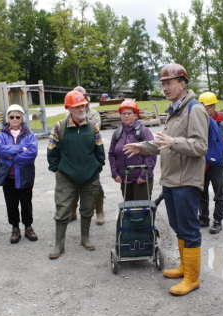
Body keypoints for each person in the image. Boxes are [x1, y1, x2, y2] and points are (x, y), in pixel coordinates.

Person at [123, 63, 208, 296]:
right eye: (163, 84)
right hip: (171, 180)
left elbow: (200, 146)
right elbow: (163, 142)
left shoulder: (194, 109)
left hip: (186, 182)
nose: (165, 88)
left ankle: (192, 278)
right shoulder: (175, 109)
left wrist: (174, 143)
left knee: (189, 229)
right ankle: (184, 267)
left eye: (169, 83)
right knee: (177, 226)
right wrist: (142, 147)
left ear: (183, 83)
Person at [47, 90, 105, 259]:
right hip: (66, 177)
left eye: (83, 106)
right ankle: (59, 244)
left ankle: (85, 238)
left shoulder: (93, 127)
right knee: (63, 210)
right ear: (69, 109)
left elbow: (99, 150)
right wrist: (57, 169)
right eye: (77, 107)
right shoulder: (59, 126)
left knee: (88, 208)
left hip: (90, 177)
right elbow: (52, 151)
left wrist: (97, 167)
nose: (81, 109)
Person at [0, 104, 38, 244]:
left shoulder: (29, 134)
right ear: (7, 118)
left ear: (22, 118)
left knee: (26, 203)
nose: (14, 119)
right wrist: (20, 148)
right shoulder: (2, 134)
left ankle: (28, 227)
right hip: (9, 177)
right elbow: (0, 150)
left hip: (25, 176)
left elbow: (32, 153)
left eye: (17, 116)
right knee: (11, 204)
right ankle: (15, 228)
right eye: (11, 116)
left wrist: (13, 157)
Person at [198, 92, 223, 234]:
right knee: (202, 193)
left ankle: (218, 221)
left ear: (213, 106)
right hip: (201, 165)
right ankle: (203, 218)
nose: (206, 110)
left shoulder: (221, 124)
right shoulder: (198, 123)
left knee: (218, 193)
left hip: (216, 165)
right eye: (203, 108)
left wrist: (220, 158)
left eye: (208, 107)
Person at [69, 86, 105, 225]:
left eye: (82, 96)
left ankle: (99, 211)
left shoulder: (93, 114)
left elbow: (92, 133)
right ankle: (72, 211)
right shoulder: (69, 115)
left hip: (91, 156)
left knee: (96, 187)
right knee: (72, 187)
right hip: (74, 157)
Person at [108, 100, 156, 200]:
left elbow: (151, 153)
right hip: (124, 179)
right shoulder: (117, 133)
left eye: (129, 113)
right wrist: (114, 173)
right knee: (128, 210)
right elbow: (111, 154)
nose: (126, 116)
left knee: (142, 210)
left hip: (141, 180)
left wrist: (144, 175)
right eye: (123, 113)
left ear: (135, 115)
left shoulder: (144, 131)